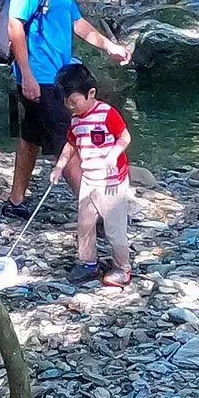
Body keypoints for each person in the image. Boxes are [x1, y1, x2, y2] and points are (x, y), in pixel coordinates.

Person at [2, 0, 131, 220]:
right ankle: (96, 214)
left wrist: (109, 46)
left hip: (58, 76)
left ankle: (15, 202)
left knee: (31, 137)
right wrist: (27, 75)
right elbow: (14, 25)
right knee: (68, 144)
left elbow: (78, 24)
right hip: (40, 76)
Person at [52, 64, 133, 286]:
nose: (70, 107)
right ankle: (87, 262)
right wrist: (59, 166)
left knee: (115, 229)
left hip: (112, 182)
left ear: (91, 94)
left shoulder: (107, 114)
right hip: (89, 179)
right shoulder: (76, 120)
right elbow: (71, 144)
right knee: (85, 224)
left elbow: (124, 137)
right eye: (67, 102)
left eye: (74, 101)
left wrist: (113, 155)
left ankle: (122, 268)